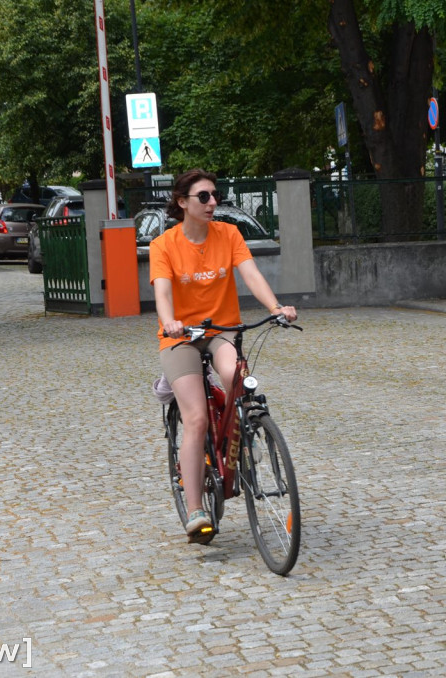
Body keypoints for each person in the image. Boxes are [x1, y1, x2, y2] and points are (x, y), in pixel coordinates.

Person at [149, 169, 297, 543]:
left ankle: (244, 436)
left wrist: (276, 307)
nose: (213, 202)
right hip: (180, 338)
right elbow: (163, 294)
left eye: (214, 195)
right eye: (203, 197)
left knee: (237, 379)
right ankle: (197, 508)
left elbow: (252, 275)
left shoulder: (228, 235)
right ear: (182, 202)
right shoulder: (163, 245)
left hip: (221, 331)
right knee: (196, 417)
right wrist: (170, 323)